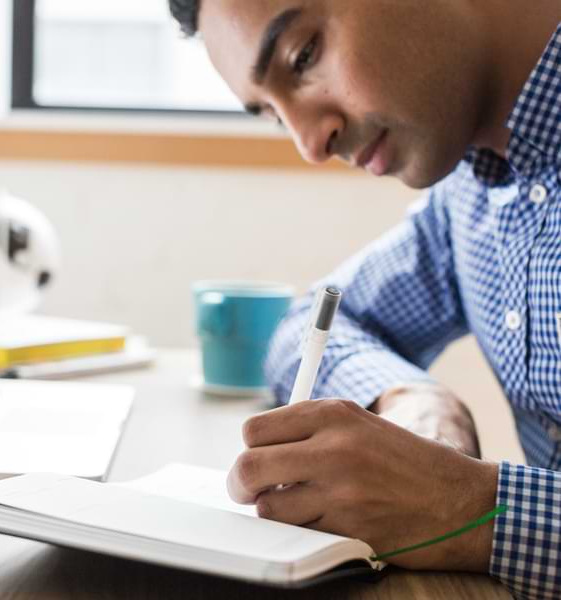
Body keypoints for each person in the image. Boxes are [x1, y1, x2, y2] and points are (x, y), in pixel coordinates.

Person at [168, 1, 561, 597]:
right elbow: (312, 321)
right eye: (274, 115)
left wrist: (468, 507)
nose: (309, 143)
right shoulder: (470, 197)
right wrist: (415, 399)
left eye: (304, 56)